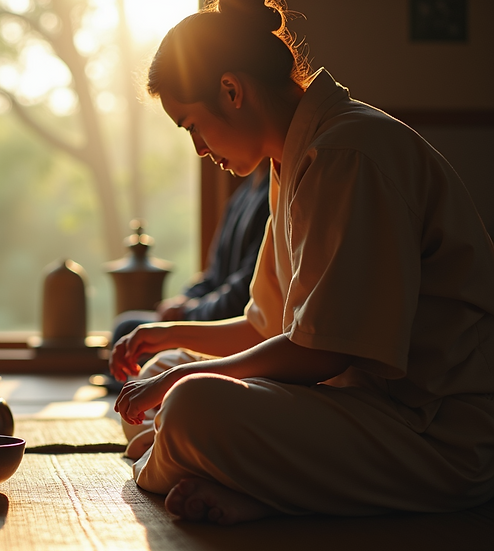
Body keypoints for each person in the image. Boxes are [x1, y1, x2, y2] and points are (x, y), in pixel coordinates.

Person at [111, 0, 494, 526]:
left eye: (192, 125)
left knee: (188, 404)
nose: (198, 148)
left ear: (231, 90)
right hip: (356, 410)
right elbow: (264, 327)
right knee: (163, 370)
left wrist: (186, 379)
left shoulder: (347, 152)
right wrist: (168, 335)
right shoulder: (292, 160)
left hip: (434, 433)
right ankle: (244, 480)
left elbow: (323, 352)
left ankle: (205, 465)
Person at [93, 162, 269, 392]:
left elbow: (242, 293)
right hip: (208, 309)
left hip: (230, 323)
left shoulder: (271, 198)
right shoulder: (242, 195)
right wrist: (183, 301)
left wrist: (186, 314)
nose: (203, 150)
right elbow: (212, 275)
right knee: (127, 327)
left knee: (133, 333)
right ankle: (130, 383)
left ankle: (133, 385)